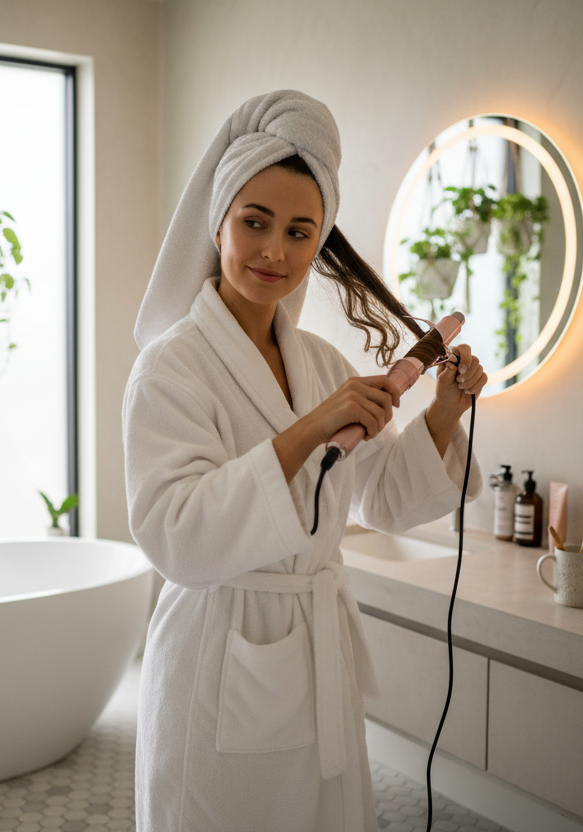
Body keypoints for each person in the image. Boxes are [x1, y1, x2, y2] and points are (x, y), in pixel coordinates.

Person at [123, 90, 485, 832]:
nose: (274, 252)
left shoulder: (320, 362)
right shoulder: (170, 367)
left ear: (318, 244)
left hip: (315, 648)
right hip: (216, 651)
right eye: (254, 222)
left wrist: (446, 410)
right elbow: (176, 534)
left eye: (299, 232)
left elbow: (381, 498)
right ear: (218, 222)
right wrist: (312, 427)